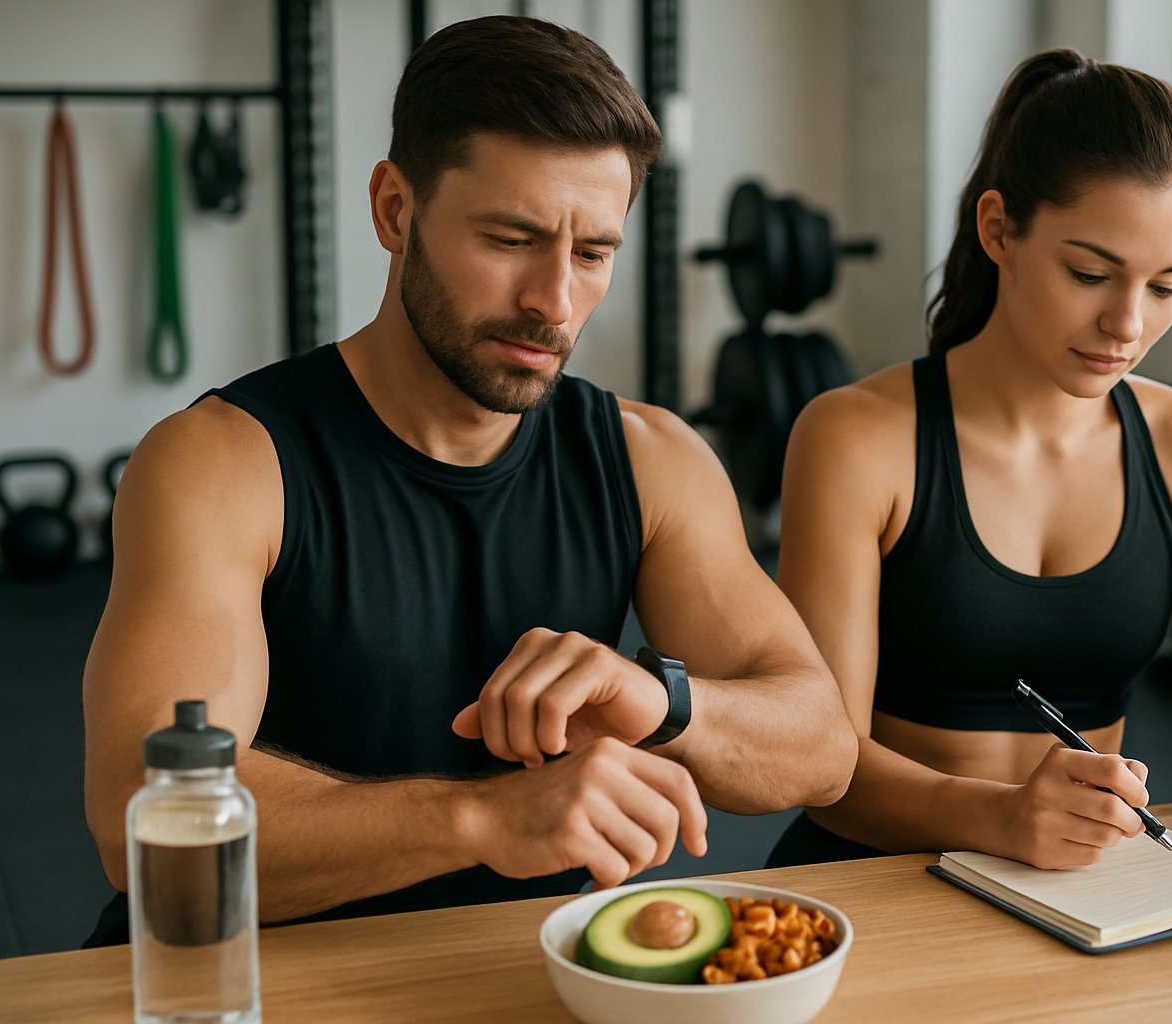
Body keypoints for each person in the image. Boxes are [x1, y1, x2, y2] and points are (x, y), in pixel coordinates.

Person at [82, 15, 855, 943]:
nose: (555, 302)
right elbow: (156, 827)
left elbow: (823, 751)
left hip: (517, 980)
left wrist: (662, 700)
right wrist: (484, 819)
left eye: (594, 253)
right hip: (256, 985)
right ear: (394, 211)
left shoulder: (652, 460)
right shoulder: (222, 465)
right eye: (510, 238)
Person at [769, 49, 1172, 878]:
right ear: (998, 229)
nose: (1128, 326)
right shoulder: (855, 439)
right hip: (872, 874)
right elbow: (826, 770)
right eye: (1090, 273)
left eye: (1168, 286)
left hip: (1082, 887)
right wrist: (1000, 817)